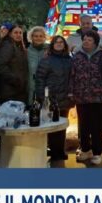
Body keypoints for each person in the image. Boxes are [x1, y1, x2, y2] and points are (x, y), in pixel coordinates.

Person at [69, 30, 102, 165]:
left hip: (98, 98)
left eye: (89, 39)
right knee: (83, 126)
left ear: (95, 42)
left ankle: (97, 152)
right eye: (84, 39)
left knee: (96, 126)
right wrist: (71, 92)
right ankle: (85, 150)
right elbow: (72, 75)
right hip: (81, 97)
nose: (86, 41)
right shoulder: (77, 56)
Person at [34, 35, 72, 167]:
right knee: (51, 126)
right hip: (50, 98)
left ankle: (60, 151)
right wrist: (41, 96)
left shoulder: (69, 59)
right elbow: (39, 79)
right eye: (56, 42)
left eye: (61, 42)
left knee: (62, 126)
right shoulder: (47, 60)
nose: (59, 44)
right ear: (52, 45)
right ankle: (53, 151)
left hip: (65, 97)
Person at [0, 24, 29, 105]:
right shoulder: (8, 46)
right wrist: (14, 80)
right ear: (10, 34)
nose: (18, 35)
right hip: (10, 90)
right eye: (16, 32)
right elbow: (1, 66)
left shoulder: (19, 47)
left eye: (20, 33)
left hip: (18, 90)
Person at [27, 26, 48, 106]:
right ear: (31, 37)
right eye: (36, 36)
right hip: (30, 88)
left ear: (44, 37)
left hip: (45, 88)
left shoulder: (49, 51)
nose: (38, 38)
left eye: (40, 36)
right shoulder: (26, 51)